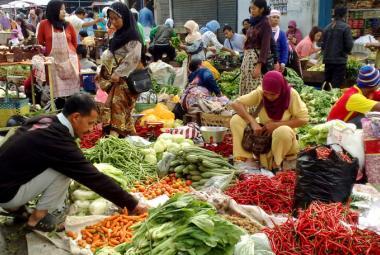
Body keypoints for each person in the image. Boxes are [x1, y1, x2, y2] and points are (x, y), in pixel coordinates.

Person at [0, 94, 147, 232]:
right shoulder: (58, 141)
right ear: (76, 117)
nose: (91, 129)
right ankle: (36, 219)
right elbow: (93, 178)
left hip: (5, 185)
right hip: (7, 195)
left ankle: (19, 210)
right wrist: (132, 204)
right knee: (64, 171)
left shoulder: (46, 120)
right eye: (90, 123)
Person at [230, 71, 309, 171]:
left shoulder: (291, 95)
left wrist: (276, 125)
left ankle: (277, 165)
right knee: (236, 119)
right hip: (263, 140)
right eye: (266, 94)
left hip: (284, 143)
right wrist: (252, 122)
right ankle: (246, 160)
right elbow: (236, 104)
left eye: (273, 94)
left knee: (282, 131)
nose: (269, 97)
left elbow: (304, 119)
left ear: (280, 90)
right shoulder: (261, 91)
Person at [96, 2, 143, 137]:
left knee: (118, 107)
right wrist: (101, 71)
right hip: (116, 80)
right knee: (116, 108)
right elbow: (110, 56)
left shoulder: (133, 36)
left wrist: (118, 73)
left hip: (126, 80)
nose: (113, 22)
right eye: (111, 18)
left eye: (117, 18)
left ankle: (114, 139)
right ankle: (126, 137)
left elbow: (133, 59)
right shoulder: (117, 35)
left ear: (125, 18)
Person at [38, 0, 80, 107]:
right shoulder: (44, 24)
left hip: (70, 64)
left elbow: (74, 44)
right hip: (53, 66)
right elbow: (39, 44)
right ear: (54, 10)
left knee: (72, 98)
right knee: (57, 98)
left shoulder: (68, 25)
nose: (64, 12)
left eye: (64, 9)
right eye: (61, 9)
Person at [240, 0, 272, 96]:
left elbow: (265, 47)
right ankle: (244, 109)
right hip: (247, 60)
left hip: (255, 61)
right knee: (245, 86)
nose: (252, 11)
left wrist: (259, 66)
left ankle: (253, 111)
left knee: (253, 88)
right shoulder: (253, 22)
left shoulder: (265, 24)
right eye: (251, 8)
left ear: (261, 9)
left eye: (254, 8)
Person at [322, 6, 353, 89]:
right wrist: (346, 52)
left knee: (327, 85)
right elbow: (349, 45)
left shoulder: (327, 28)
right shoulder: (346, 27)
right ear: (344, 15)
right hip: (339, 62)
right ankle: (334, 102)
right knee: (335, 87)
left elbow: (323, 45)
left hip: (328, 61)